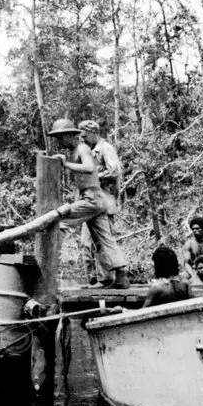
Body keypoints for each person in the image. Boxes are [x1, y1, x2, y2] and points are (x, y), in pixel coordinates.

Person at [47, 118, 129, 289]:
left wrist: (66, 164)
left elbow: (90, 168)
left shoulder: (82, 148)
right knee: (104, 239)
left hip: (92, 198)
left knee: (57, 221)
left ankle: (50, 265)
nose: (59, 142)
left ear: (70, 135)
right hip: (95, 198)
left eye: (61, 138)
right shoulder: (75, 150)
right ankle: (119, 276)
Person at [78, 119, 122, 286]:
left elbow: (115, 170)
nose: (82, 139)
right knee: (85, 243)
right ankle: (93, 279)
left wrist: (95, 175)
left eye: (84, 135)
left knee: (104, 242)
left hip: (105, 202)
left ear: (93, 133)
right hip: (91, 203)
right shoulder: (89, 151)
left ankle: (107, 279)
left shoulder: (105, 148)